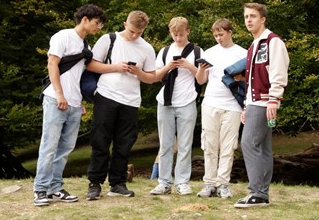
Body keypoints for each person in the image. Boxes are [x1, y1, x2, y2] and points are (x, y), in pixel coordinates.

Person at [86, 11, 173, 200]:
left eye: (139, 33)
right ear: (125, 23)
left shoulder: (147, 48)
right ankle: (95, 183)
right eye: (132, 31)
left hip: (131, 100)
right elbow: (90, 65)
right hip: (106, 95)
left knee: (124, 144)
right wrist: (116, 67)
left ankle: (117, 183)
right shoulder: (108, 40)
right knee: (100, 141)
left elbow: (151, 78)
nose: (134, 36)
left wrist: (138, 72)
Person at [33, 4, 107, 206]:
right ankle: (40, 189)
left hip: (74, 103)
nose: (98, 27)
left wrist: (79, 101)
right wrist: (59, 94)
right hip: (56, 99)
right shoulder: (62, 37)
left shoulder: (86, 47)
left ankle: (55, 188)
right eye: (96, 22)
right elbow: (52, 64)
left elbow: (79, 76)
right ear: (84, 19)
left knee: (65, 148)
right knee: (49, 146)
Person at [235, 2, 289, 208]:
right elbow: (250, 81)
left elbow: (278, 71)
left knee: (249, 143)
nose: (248, 20)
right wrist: (246, 106)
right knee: (263, 147)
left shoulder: (273, 42)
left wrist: (274, 99)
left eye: (253, 16)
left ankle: (257, 192)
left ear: (263, 19)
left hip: (265, 102)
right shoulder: (253, 45)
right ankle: (261, 193)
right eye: (246, 16)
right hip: (255, 103)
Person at [150, 17, 208, 196]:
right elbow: (156, 76)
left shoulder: (197, 51)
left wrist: (190, 66)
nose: (178, 38)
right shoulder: (165, 51)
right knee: (165, 143)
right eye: (175, 35)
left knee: (185, 144)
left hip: (187, 101)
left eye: (181, 34)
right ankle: (164, 182)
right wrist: (169, 66)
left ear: (188, 31)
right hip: (165, 101)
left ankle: (182, 181)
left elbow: (202, 80)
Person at [197, 19, 248, 199]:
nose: (219, 38)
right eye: (216, 35)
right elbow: (201, 80)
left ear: (230, 32)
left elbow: (247, 82)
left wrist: (245, 105)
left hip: (232, 105)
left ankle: (223, 183)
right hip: (211, 102)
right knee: (209, 144)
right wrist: (201, 69)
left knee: (228, 146)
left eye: (221, 34)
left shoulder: (242, 53)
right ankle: (209, 183)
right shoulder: (209, 52)